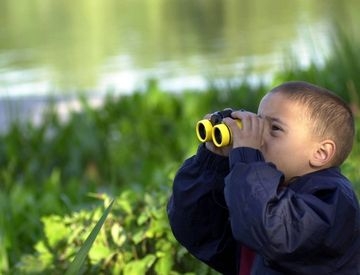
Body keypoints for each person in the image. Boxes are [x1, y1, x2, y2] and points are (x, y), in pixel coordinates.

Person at [167, 81, 360, 274]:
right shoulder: (264, 192)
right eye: (258, 122)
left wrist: (247, 161)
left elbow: (273, 231)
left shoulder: (332, 201)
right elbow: (200, 232)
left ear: (321, 153)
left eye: (275, 129)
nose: (258, 136)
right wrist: (214, 162)